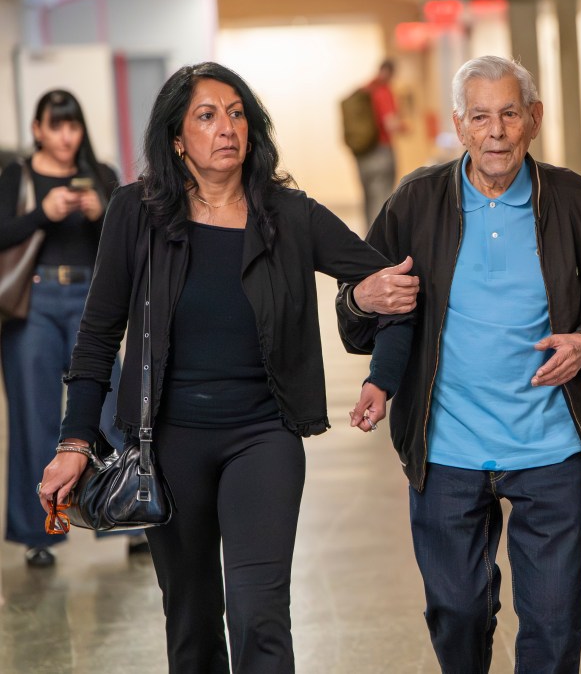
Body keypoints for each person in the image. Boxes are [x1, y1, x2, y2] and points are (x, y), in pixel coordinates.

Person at [36, 62, 418, 673]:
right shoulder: (136, 212)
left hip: (263, 437)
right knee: (191, 623)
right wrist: (76, 439)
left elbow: (395, 289)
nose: (226, 128)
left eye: (237, 113)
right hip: (166, 442)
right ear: (177, 138)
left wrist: (382, 375)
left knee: (259, 614)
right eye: (207, 116)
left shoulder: (290, 215)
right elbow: (98, 335)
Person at [338, 55, 581, 673]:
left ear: (534, 119)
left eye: (508, 114)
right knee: (459, 614)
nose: (496, 131)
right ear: (459, 125)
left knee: (555, 628)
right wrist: (360, 299)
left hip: (550, 447)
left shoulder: (577, 203)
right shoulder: (415, 203)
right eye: (480, 117)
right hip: (446, 449)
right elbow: (362, 313)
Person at [0, 89, 141, 568]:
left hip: (88, 302)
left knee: (112, 410)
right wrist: (44, 213)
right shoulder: (17, 174)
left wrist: (101, 214)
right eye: (55, 126)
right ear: (37, 129)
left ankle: (127, 514)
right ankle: (42, 531)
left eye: (73, 125)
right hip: (34, 302)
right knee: (34, 419)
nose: (66, 135)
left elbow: (126, 246)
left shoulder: (101, 176)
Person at [356, 59, 405, 228]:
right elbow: (390, 123)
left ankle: (368, 236)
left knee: (368, 196)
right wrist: (404, 126)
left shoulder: (364, 90)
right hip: (381, 151)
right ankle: (379, 242)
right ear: (390, 72)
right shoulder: (383, 92)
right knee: (382, 197)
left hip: (362, 153)